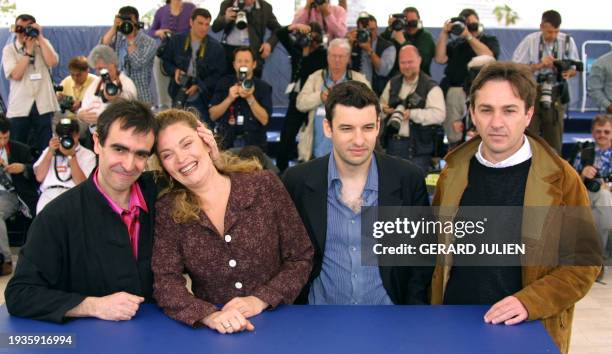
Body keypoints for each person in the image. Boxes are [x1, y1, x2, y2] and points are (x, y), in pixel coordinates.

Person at [430, 62, 601, 354]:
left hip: (528, 329)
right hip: (455, 326)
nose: (497, 122)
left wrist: (530, 301)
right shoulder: (453, 172)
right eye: (486, 110)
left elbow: (583, 264)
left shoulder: (561, 179)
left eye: (509, 110)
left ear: (528, 113)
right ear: (473, 113)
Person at [152, 109, 313, 333]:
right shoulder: (168, 210)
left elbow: (300, 257)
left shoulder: (264, 186)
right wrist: (208, 315)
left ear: (206, 141)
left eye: (187, 144)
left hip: (279, 322)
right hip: (216, 333)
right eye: (168, 154)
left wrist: (261, 299)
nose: (181, 159)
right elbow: (165, 282)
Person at [5, 99, 158, 323]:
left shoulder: (160, 195)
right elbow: (20, 293)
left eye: (141, 155)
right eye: (119, 149)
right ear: (97, 142)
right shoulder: (57, 216)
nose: (128, 164)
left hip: (157, 335)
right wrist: (90, 305)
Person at [284, 80, 432, 305]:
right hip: (317, 322)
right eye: (347, 128)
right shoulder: (298, 182)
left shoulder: (407, 179)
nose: (359, 140)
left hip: (390, 321)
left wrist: (411, 317)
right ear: (328, 128)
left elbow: (421, 257)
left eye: (367, 127)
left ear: (378, 126)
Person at [512, 10, 579, 154]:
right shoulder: (530, 41)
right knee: (529, 134)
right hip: (532, 90)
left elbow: (576, 67)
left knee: (554, 138)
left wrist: (568, 72)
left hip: (556, 91)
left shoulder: (567, 41)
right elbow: (516, 68)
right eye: (549, 32)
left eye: (556, 31)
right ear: (541, 26)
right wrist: (539, 65)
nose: (553, 36)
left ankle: (554, 172)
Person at [434, 8, 499, 149]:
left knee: (478, 130)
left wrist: (469, 36)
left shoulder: (489, 40)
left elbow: (489, 56)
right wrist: (445, 33)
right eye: (467, 25)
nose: (470, 28)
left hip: (479, 91)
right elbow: (439, 58)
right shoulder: (456, 44)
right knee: (454, 134)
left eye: (472, 24)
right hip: (455, 92)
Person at [296, 38, 369, 162]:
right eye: (333, 56)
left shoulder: (358, 79)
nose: (337, 60)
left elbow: (371, 107)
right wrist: (320, 97)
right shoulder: (315, 77)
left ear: (348, 58)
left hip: (349, 154)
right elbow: (300, 103)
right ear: (328, 57)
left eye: (341, 56)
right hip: (316, 152)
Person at [379, 45, 445, 173]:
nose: (407, 66)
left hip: (418, 150)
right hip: (392, 146)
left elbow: (439, 115)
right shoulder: (392, 83)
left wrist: (412, 114)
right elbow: (379, 109)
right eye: (403, 62)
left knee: (415, 190)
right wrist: (383, 109)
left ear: (419, 60)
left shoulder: (431, 87)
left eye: (410, 62)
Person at [2, 14, 59, 155]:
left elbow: (52, 62)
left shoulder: (43, 44)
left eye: (27, 29)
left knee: (46, 147)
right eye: (20, 29)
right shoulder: (9, 50)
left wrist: (39, 36)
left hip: (43, 104)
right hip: (20, 106)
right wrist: (28, 51)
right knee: (18, 146)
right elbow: (16, 74)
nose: (23, 33)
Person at [275, 22, 327, 172]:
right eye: (308, 37)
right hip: (296, 99)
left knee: (310, 137)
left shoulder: (322, 55)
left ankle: (308, 170)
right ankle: (281, 172)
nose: (310, 41)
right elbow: (281, 34)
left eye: (313, 38)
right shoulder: (297, 49)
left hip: (313, 100)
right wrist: (294, 26)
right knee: (287, 136)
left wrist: (309, 50)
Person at [161, 8, 226, 124]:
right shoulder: (176, 40)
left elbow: (219, 75)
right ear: (191, 22)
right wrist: (174, 71)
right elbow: (165, 62)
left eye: (207, 24)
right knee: (176, 125)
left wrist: (199, 86)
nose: (204, 28)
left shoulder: (216, 48)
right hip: (178, 91)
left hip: (203, 96)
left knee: (201, 128)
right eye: (200, 23)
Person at [209, 47, 272, 151]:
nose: (243, 64)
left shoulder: (263, 87)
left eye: (247, 61)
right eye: (239, 61)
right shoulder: (223, 83)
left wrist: (250, 98)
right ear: (234, 65)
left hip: (254, 146)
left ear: (254, 64)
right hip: (226, 144)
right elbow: (213, 115)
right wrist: (229, 99)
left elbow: (265, 120)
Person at [572, 114, 611, 278]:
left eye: (607, 132)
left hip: (607, 196)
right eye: (598, 131)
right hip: (587, 193)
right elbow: (570, 181)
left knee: (603, 198)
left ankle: (592, 261)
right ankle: (596, 260)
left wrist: (607, 186)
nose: (602, 135)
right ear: (593, 133)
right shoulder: (584, 153)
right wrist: (582, 174)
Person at [77, 45, 137, 148]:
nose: (99, 72)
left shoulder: (126, 83)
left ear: (112, 64)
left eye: (101, 68)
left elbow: (130, 110)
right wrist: (81, 115)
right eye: (96, 69)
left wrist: (116, 99)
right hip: (93, 135)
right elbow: (83, 106)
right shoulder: (96, 83)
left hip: (115, 137)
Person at [0, 114, 38, 276]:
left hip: (11, 194)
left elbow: (37, 171)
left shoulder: (19, 149)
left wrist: (22, 168)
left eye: (5, 137)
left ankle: (5, 259)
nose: (3, 142)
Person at [33, 119, 96, 214]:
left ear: (77, 135)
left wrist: (72, 156)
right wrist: (50, 152)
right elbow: (39, 177)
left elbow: (83, 185)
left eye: (71, 136)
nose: (67, 140)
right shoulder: (49, 150)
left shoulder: (87, 154)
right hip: (49, 193)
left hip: (73, 194)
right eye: (62, 137)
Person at [101, 6, 156, 105]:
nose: (127, 23)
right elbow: (101, 49)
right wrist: (114, 28)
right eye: (124, 20)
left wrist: (130, 39)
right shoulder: (118, 38)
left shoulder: (149, 42)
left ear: (137, 22)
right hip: (118, 95)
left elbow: (137, 63)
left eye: (130, 20)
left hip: (140, 97)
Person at [212, 0, 281, 77]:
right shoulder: (228, 4)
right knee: (227, 83)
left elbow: (278, 29)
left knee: (252, 85)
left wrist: (269, 44)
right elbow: (215, 28)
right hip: (229, 53)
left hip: (253, 51)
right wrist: (225, 18)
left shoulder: (265, 7)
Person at [148, 0, 197, 109]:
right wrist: (159, 32)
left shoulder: (191, 8)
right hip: (165, 55)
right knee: (163, 95)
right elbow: (151, 31)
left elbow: (197, 29)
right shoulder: (161, 11)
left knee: (184, 92)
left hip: (185, 56)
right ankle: (164, 114)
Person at [348, 13, 396, 96]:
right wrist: (349, 45)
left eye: (372, 30)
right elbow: (343, 66)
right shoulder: (353, 44)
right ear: (358, 30)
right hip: (354, 90)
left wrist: (369, 50)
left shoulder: (387, 47)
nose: (368, 33)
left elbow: (383, 71)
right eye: (364, 30)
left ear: (377, 29)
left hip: (377, 93)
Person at [380, 7, 435, 76]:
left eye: (413, 22)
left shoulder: (425, 37)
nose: (411, 26)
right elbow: (381, 44)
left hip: (420, 78)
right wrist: (390, 28)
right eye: (407, 23)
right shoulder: (400, 33)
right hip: (398, 77)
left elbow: (423, 62)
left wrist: (403, 43)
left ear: (419, 20)